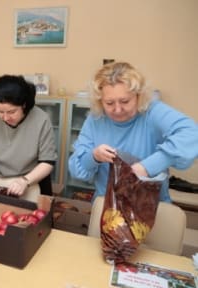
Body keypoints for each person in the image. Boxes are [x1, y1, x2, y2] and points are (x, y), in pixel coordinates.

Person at [68, 61, 198, 202]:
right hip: (108, 208)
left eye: (125, 101)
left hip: (150, 208)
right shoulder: (96, 119)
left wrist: (146, 168)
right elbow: (77, 169)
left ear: (138, 96)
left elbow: (192, 134)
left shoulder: (152, 112)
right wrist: (94, 156)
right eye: (109, 103)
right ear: (100, 101)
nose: (117, 110)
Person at [0, 75, 58, 201]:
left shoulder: (41, 120)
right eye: (0, 111)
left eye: (11, 112)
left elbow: (47, 162)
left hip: (28, 180)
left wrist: (25, 181)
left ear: (24, 105)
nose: (5, 118)